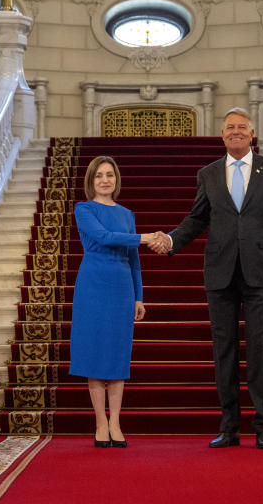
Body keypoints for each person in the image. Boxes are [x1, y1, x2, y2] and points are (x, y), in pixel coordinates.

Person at [149, 107, 263, 450]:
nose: (235, 131)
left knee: (260, 351)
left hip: (261, 272)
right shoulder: (209, 174)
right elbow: (197, 218)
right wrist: (171, 240)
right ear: (222, 134)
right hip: (220, 273)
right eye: (229, 127)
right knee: (224, 352)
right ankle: (229, 428)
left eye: (241, 127)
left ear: (251, 132)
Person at [69, 155, 160, 448]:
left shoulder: (127, 214)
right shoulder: (83, 208)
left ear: (116, 180)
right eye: (99, 175)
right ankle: (100, 422)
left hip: (121, 287)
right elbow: (104, 237)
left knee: (118, 356)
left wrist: (139, 297)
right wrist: (146, 237)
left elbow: (134, 261)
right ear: (91, 181)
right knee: (96, 356)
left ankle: (116, 422)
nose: (105, 180)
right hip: (93, 284)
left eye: (109, 175)